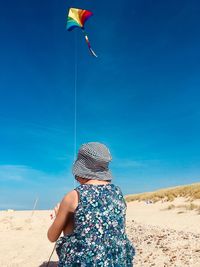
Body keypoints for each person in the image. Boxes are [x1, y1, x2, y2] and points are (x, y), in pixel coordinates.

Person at [47, 142, 135, 266]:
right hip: (117, 260)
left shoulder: (74, 196)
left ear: (81, 169)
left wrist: (59, 216)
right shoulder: (117, 193)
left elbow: (51, 237)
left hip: (85, 262)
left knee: (69, 221)